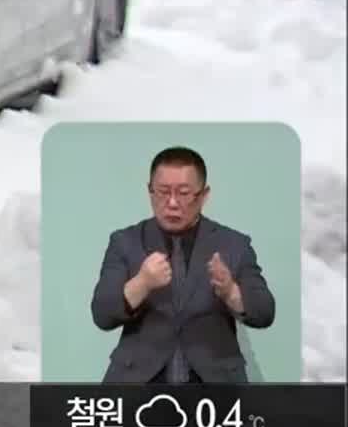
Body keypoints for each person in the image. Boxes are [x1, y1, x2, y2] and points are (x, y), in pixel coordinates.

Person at [90, 146, 276, 384]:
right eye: (163, 192)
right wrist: (142, 283)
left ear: (204, 195)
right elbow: (102, 315)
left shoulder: (234, 244)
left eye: (184, 193)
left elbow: (264, 313)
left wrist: (231, 292)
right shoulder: (125, 241)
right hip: (137, 382)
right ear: (149, 192)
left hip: (215, 386)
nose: (172, 203)